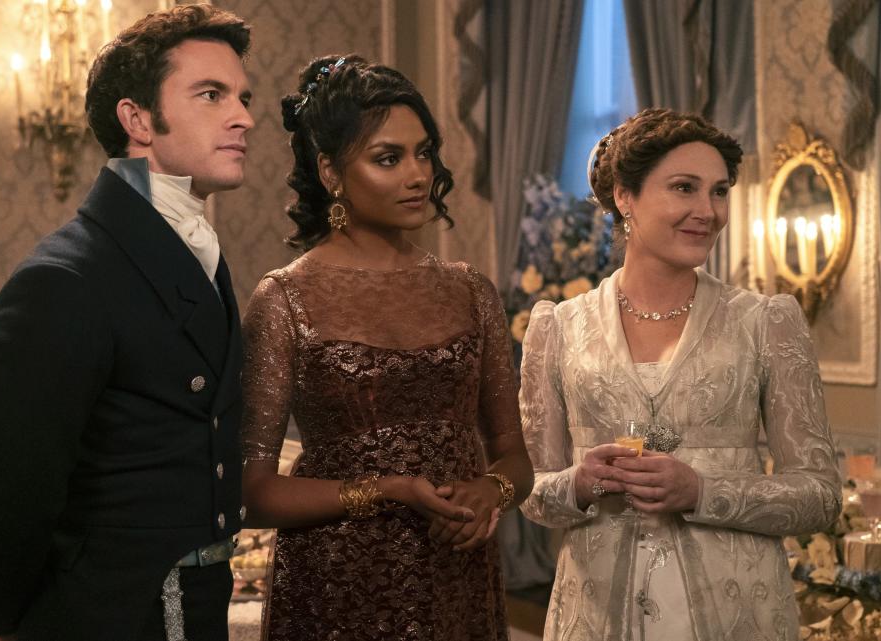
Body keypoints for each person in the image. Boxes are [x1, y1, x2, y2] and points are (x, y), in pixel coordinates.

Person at [0, 5, 254, 640]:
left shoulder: (189, 245)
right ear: (137, 118)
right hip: (111, 616)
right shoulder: (65, 280)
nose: (244, 117)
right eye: (211, 94)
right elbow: (6, 496)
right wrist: (4, 623)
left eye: (241, 96)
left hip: (194, 609)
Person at [240, 54, 534, 640]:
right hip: (338, 583)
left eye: (424, 152)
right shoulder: (284, 300)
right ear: (331, 173)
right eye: (388, 158)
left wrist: (488, 491)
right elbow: (254, 495)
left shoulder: (470, 292)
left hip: (457, 574)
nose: (417, 174)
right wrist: (389, 491)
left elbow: (516, 460)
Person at [519, 108, 841, 641]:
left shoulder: (766, 322)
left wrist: (701, 491)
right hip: (597, 616)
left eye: (719, 191)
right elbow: (530, 492)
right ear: (625, 195)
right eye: (684, 188)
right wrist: (579, 483)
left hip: (737, 613)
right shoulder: (558, 327)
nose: (708, 211)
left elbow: (820, 495)